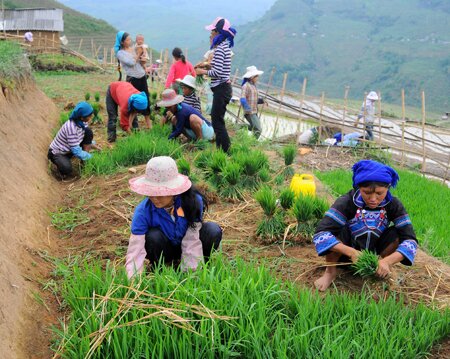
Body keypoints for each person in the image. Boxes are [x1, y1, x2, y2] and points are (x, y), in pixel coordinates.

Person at [312, 160, 418, 291]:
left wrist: (387, 261)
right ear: (358, 187)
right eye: (367, 192)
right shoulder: (346, 202)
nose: (373, 199)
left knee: (397, 233)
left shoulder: (393, 205)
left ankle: (381, 268)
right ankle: (330, 272)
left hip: (375, 254)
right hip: (346, 253)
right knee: (335, 230)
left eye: (379, 193)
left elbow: (410, 240)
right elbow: (320, 234)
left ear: (388, 188)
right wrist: (351, 252)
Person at [125, 156, 222, 278]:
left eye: (159, 193)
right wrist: (132, 281)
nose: (154, 197)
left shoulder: (193, 202)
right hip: (165, 249)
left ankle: (202, 262)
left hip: (186, 242)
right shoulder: (143, 212)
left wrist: (191, 273)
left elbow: (192, 238)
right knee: (152, 237)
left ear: (174, 189)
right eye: (151, 192)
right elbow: (136, 249)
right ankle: (163, 266)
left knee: (212, 230)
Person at [196, 17, 236, 153]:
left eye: (212, 31)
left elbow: (218, 72)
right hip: (224, 88)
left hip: (221, 89)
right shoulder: (224, 46)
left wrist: (203, 71)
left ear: (218, 32)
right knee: (218, 120)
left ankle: (226, 151)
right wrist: (206, 64)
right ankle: (221, 150)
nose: (210, 34)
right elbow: (220, 66)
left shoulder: (219, 49)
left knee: (217, 122)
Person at [48, 102, 99, 178]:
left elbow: (83, 139)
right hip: (59, 152)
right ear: (82, 117)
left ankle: (84, 163)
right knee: (67, 169)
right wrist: (91, 157)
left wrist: (97, 148)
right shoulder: (71, 127)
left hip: (70, 148)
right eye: (89, 116)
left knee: (88, 132)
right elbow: (76, 151)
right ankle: (59, 167)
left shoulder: (82, 122)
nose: (91, 117)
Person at [114, 31, 151, 125]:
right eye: (127, 40)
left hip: (142, 77)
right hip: (133, 79)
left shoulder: (133, 49)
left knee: (146, 98)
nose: (130, 41)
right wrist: (138, 54)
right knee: (134, 101)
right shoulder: (120, 53)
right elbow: (131, 63)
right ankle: (128, 125)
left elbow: (141, 59)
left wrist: (143, 58)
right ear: (122, 42)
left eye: (130, 39)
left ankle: (148, 124)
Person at [240, 66, 265, 138]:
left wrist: (262, 101)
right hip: (250, 112)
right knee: (258, 129)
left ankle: (242, 126)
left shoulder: (253, 86)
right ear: (252, 77)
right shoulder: (246, 86)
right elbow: (242, 98)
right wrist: (247, 107)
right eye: (256, 76)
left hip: (255, 111)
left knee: (255, 127)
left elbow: (254, 99)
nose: (258, 78)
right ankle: (252, 143)